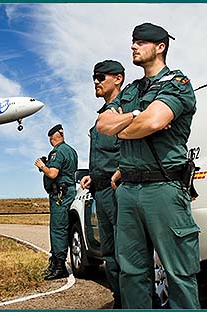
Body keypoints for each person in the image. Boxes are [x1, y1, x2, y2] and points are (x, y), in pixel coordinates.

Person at [96, 22, 200, 309]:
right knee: (132, 273)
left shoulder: (178, 83)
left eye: (141, 42)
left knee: (178, 273)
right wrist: (137, 118)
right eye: (133, 41)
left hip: (164, 187)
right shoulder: (131, 90)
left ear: (160, 47)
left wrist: (129, 122)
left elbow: (155, 121)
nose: (133, 46)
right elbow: (103, 124)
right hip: (128, 190)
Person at [80, 59, 125, 308]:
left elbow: (130, 147)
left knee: (124, 252)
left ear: (117, 78)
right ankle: (119, 299)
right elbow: (104, 154)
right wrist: (90, 174)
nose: (96, 82)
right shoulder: (101, 116)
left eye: (101, 77)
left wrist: (121, 170)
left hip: (117, 190)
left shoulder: (123, 110)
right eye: (94, 78)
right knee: (109, 253)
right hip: (100, 190)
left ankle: (135, 301)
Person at [34, 124, 78, 280]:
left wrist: (42, 166)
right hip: (68, 191)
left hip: (60, 195)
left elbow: (53, 173)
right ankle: (55, 263)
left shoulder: (57, 152)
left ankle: (59, 267)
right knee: (62, 227)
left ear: (53, 138)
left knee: (58, 229)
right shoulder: (71, 151)